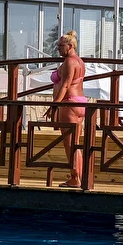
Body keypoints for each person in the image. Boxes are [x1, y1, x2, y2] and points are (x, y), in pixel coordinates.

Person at [52, 31, 87, 188]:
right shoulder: (80, 61)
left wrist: (55, 105)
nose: (58, 48)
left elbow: (65, 85)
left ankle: (75, 178)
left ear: (70, 46)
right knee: (76, 143)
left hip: (69, 103)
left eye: (61, 46)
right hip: (80, 102)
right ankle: (80, 177)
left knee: (69, 144)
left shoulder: (69, 62)